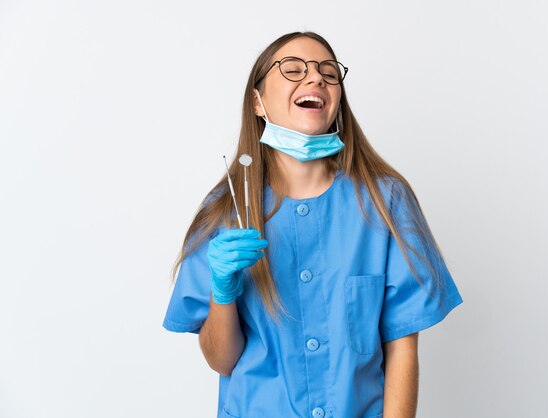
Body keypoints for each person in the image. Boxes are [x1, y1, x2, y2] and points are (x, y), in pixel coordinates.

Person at [163, 31, 463, 418]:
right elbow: (222, 361)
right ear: (257, 101)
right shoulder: (225, 212)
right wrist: (222, 292)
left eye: (328, 71)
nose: (316, 78)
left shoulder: (385, 202)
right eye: (292, 69)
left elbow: (402, 346)